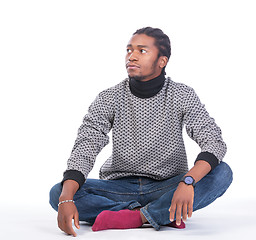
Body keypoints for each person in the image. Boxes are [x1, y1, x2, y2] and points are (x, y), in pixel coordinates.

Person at [49, 27, 233, 236]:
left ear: (162, 61)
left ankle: (135, 217)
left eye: (141, 51)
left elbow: (213, 141)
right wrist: (66, 198)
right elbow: (86, 146)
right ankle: (158, 214)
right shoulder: (109, 98)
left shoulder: (182, 94)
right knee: (58, 192)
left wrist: (187, 181)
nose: (132, 56)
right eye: (129, 50)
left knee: (222, 173)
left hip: (169, 185)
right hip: (119, 188)